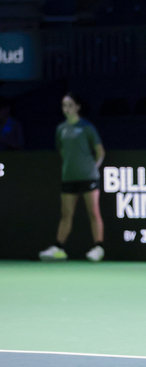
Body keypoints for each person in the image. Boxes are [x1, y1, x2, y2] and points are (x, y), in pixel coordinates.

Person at [39, 92, 106, 262]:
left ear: (77, 107)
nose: (66, 108)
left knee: (93, 212)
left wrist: (92, 168)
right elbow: (62, 151)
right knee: (66, 214)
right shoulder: (60, 129)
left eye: (69, 105)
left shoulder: (87, 128)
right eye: (63, 105)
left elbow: (100, 152)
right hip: (69, 177)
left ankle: (98, 247)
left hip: (89, 177)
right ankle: (59, 248)